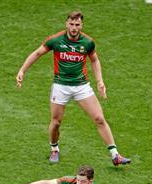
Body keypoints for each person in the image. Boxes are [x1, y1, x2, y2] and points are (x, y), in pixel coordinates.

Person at [16, 11, 131, 166]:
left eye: (77, 25)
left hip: (81, 86)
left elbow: (95, 61)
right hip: (60, 86)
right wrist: (22, 70)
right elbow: (37, 53)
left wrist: (100, 81)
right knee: (56, 122)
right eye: (71, 24)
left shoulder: (88, 42)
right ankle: (54, 149)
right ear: (66, 24)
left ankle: (115, 155)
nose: (74, 27)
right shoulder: (55, 40)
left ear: (81, 25)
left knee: (99, 118)